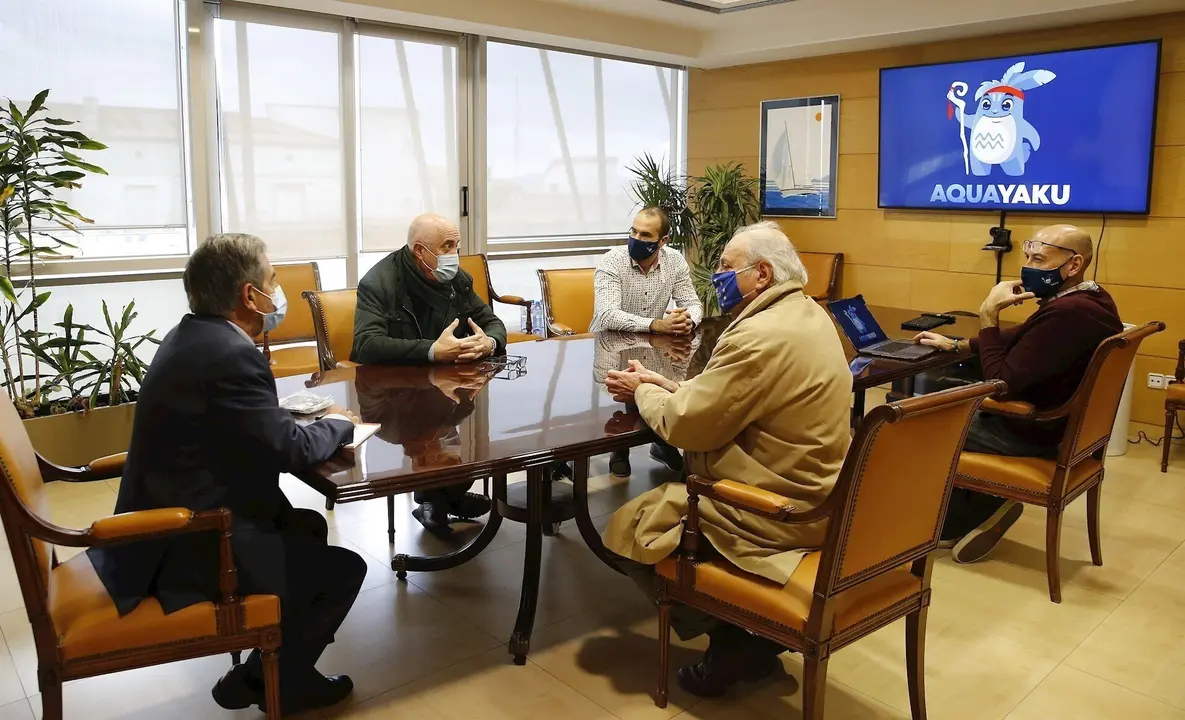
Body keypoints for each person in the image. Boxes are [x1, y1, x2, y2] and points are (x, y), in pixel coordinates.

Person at [86, 233, 366, 716]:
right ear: (248, 294)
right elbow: (291, 449)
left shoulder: (193, 335)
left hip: (175, 518)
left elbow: (244, 425)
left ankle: (273, 661)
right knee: (345, 572)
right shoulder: (228, 354)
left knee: (308, 527)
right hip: (189, 539)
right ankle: (275, 680)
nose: (278, 293)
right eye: (273, 280)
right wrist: (342, 425)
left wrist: (292, 423)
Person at [600, 221, 851, 697]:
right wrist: (670, 388)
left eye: (724, 267)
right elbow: (733, 397)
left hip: (770, 508)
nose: (716, 275)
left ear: (760, 274)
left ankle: (736, 637)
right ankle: (745, 635)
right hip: (822, 495)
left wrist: (643, 390)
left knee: (626, 530)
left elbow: (688, 426)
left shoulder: (758, 334)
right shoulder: (810, 314)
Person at [914, 224, 1123, 563]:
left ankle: (954, 522)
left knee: (917, 425)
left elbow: (1000, 383)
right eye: (1027, 256)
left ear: (1073, 265)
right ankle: (985, 506)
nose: (1027, 266)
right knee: (945, 404)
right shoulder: (1091, 299)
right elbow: (1028, 336)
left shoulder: (1069, 314)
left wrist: (988, 315)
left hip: (1032, 428)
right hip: (1060, 422)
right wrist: (958, 345)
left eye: (1038, 259)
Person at [351, 213, 506, 536]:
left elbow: (491, 321)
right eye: (447, 246)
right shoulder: (379, 282)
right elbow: (366, 344)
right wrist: (433, 351)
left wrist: (486, 341)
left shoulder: (457, 280)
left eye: (457, 245)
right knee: (431, 435)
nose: (454, 254)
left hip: (448, 384)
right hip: (394, 393)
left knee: (468, 444)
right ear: (420, 251)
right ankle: (433, 501)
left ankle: (448, 498)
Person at [590, 207, 703, 477]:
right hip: (611, 345)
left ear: (662, 241)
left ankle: (661, 441)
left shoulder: (674, 261)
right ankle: (621, 447)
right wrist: (656, 324)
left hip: (655, 346)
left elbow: (694, 303)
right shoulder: (612, 261)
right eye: (634, 231)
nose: (637, 238)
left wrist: (688, 319)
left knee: (670, 384)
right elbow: (606, 315)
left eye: (645, 234)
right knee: (622, 386)